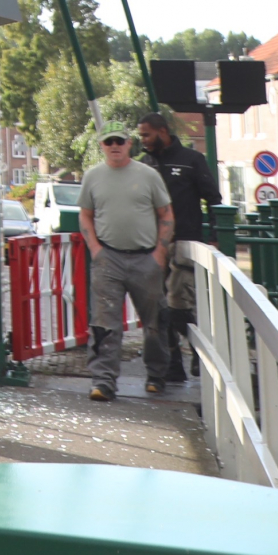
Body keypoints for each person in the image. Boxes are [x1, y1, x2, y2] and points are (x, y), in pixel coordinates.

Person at [79, 128, 176, 401]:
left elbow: (166, 213)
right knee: (104, 322)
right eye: (108, 142)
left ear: (129, 144)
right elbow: (86, 215)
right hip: (108, 258)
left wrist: (160, 252)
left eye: (119, 141)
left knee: (155, 320)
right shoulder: (93, 176)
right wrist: (95, 249)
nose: (114, 146)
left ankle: (157, 375)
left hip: (145, 257)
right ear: (102, 146)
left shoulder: (148, 175)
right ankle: (103, 381)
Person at [139, 111, 220, 374]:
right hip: (152, 245)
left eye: (147, 135)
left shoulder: (191, 160)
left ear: (162, 132)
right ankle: (173, 360)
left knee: (177, 305)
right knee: (155, 307)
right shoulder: (144, 164)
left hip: (184, 242)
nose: (143, 141)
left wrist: (215, 237)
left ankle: (200, 351)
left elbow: (213, 198)